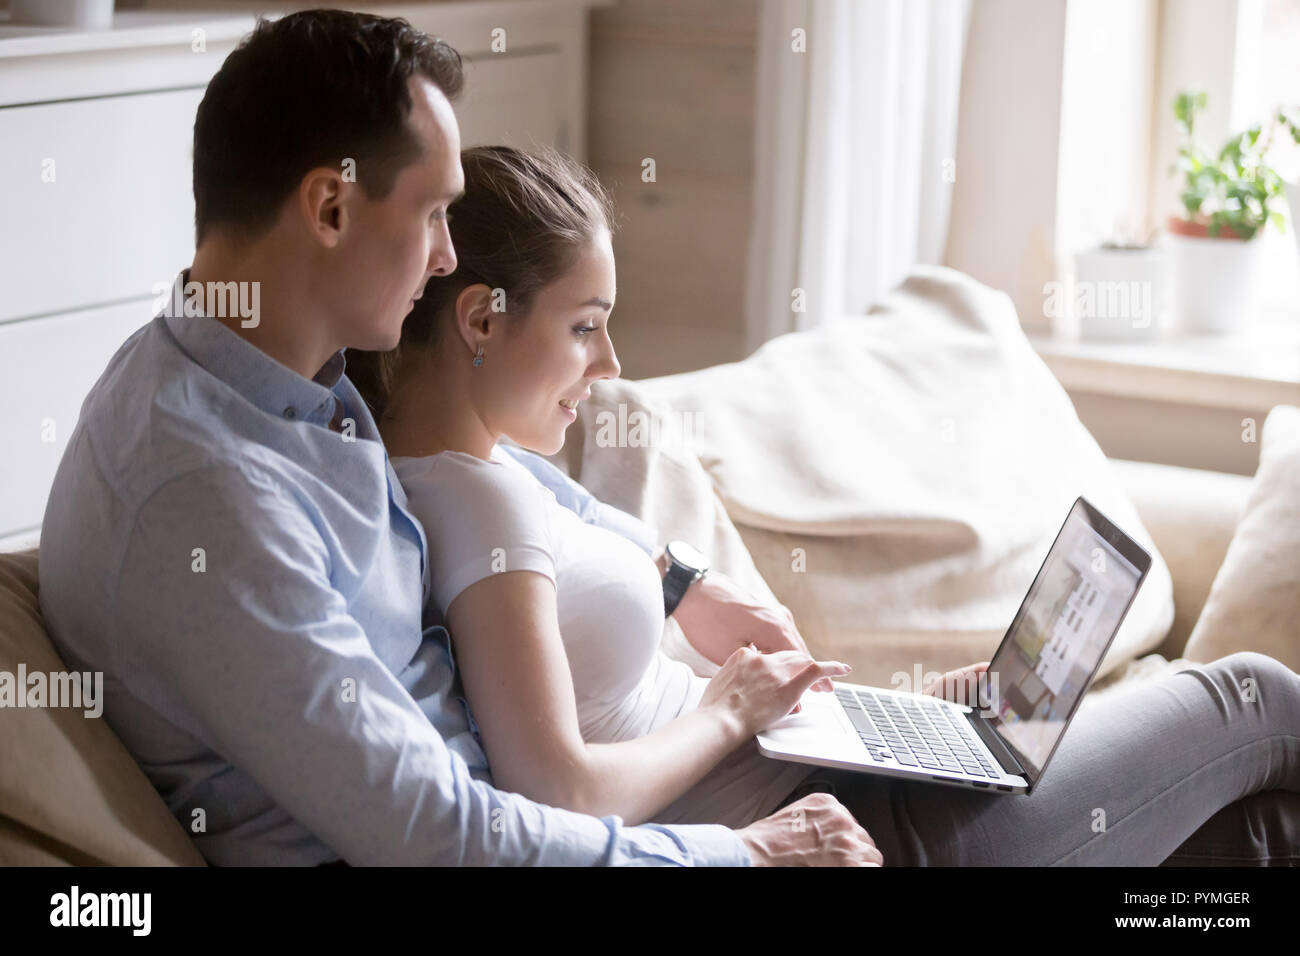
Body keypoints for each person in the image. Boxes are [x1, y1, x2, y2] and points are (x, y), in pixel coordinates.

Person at [36, 9, 878, 867]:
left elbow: (485, 464)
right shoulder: (212, 500)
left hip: (556, 821)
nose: (447, 258)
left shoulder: (278, 379)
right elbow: (443, 835)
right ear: (331, 207)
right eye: (435, 213)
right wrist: (749, 857)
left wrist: (673, 578)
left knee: (991, 772)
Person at [345, 143, 1300, 864]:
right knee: (1251, 694)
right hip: (878, 835)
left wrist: (901, 716)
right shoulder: (480, 509)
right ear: (478, 319)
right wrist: (731, 710)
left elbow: (632, 599)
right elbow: (553, 787)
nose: (610, 364)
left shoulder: (482, 473)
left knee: (1252, 836)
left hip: (846, 783)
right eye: (585, 328)